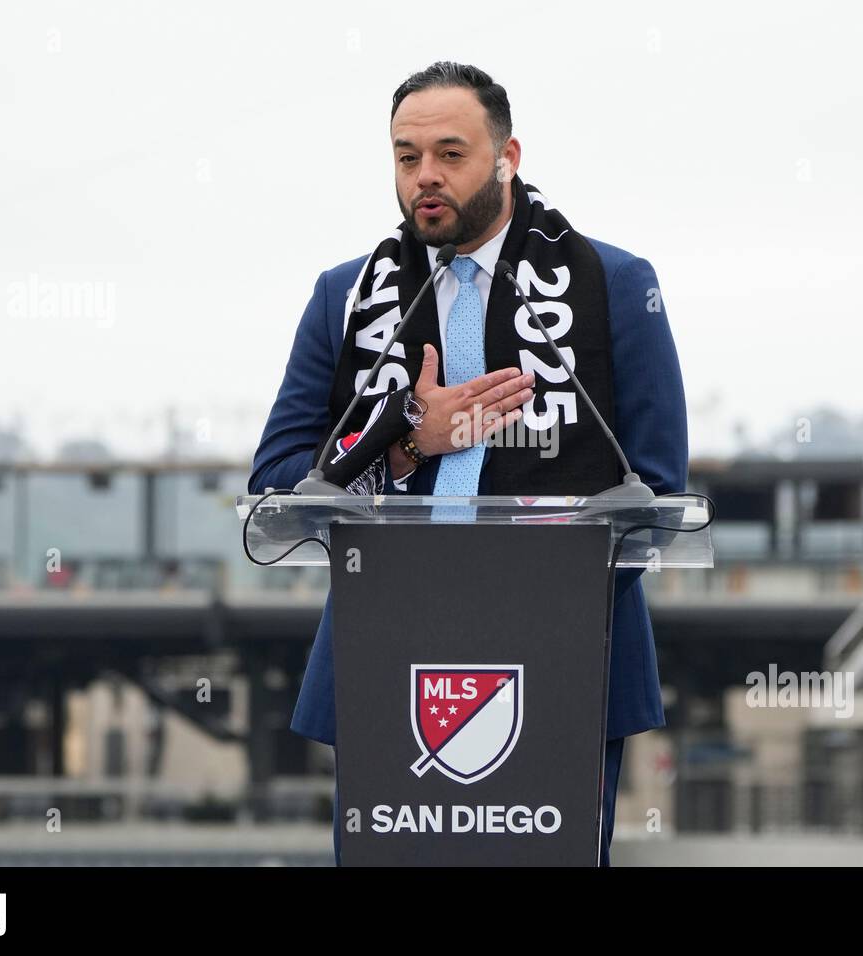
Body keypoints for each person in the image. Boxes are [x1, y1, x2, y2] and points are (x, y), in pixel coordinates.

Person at [248, 61, 687, 866]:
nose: (426, 178)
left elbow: (654, 491)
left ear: (508, 156)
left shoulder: (616, 287)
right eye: (406, 156)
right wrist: (412, 432)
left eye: (451, 154)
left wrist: (507, 612)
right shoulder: (345, 298)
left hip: (564, 666)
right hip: (388, 657)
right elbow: (278, 482)